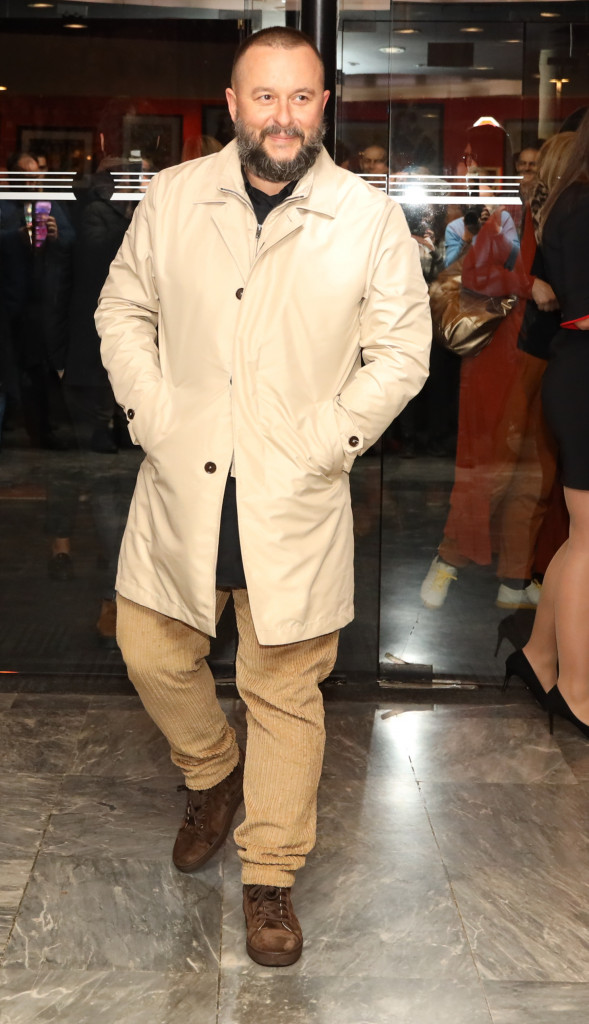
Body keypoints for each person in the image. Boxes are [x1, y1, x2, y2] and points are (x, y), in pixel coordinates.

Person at [96, 27, 431, 968]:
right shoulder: (172, 197)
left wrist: (328, 442)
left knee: (283, 687)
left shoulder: (366, 217)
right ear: (233, 104)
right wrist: (154, 415)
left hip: (293, 492)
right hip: (183, 479)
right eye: (265, 96)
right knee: (149, 648)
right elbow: (122, 309)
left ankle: (270, 873)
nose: (283, 116)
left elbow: (401, 353)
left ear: (323, 105)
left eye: (301, 97)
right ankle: (213, 771)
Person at [505, 111, 589, 737]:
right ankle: (578, 692)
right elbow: (581, 311)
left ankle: (539, 657)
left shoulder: (574, 199)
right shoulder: (581, 203)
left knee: (582, 536)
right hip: (583, 378)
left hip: (578, 375)